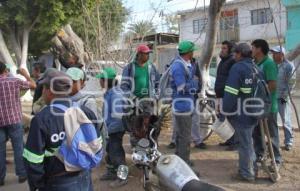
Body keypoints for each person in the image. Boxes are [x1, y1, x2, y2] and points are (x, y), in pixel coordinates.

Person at [23, 70, 96, 191]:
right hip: (85, 177)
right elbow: (98, 141)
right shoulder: (84, 111)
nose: (42, 93)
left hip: (58, 182)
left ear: (50, 91)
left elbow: (33, 159)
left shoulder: (42, 119)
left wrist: (37, 185)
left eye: (43, 89)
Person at [222, 43, 258, 182]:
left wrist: (225, 110)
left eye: (235, 53)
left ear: (240, 54)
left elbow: (231, 93)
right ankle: (252, 168)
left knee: (244, 144)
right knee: (249, 142)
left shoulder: (238, 68)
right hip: (255, 111)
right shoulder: (255, 67)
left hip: (243, 113)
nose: (234, 56)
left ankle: (246, 174)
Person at [0, 62, 36, 186]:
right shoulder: (14, 81)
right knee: (18, 148)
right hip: (15, 120)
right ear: (5, 70)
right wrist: (26, 74)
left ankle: (0, 178)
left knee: (0, 150)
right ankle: (21, 174)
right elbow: (33, 85)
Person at [120, 44, 160, 146]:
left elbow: (157, 84)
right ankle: (137, 154)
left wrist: (156, 96)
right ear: (139, 54)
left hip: (149, 103)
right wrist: (133, 98)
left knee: (151, 129)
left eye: (148, 54)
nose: (148, 56)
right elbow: (124, 86)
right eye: (146, 54)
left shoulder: (152, 67)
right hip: (135, 104)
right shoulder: (129, 68)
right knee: (137, 130)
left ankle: (151, 151)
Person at [251, 39, 281, 166]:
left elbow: (272, 85)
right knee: (257, 133)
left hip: (268, 106)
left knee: (272, 135)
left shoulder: (269, 64)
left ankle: (277, 159)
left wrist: (261, 95)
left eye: (253, 48)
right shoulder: (254, 63)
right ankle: (260, 155)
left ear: (259, 49)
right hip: (256, 106)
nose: (251, 50)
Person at [97, 68, 128, 187]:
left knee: (117, 153)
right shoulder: (110, 92)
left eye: (101, 79)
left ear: (106, 81)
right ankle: (111, 172)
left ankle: (123, 177)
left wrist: (109, 131)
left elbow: (118, 116)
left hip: (115, 129)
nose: (99, 81)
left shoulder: (116, 94)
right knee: (110, 151)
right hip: (110, 128)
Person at [170, 40, 198, 165]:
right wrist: (195, 83)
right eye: (192, 51)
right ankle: (184, 163)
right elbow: (181, 87)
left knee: (182, 135)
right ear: (189, 52)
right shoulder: (178, 66)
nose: (193, 53)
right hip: (182, 107)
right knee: (185, 137)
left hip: (186, 104)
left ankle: (180, 158)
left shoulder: (186, 64)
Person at [168, 58, 206, 150]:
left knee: (195, 121)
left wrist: (197, 90)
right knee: (177, 121)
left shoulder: (194, 63)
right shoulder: (176, 63)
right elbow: (174, 82)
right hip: (179, 98)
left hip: (192, 97)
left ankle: (197, 141)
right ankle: (174, 141)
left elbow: (198, 79)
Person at [270, 46, 296, 151]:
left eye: (275, 53)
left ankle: (288, 141)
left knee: (285, 119)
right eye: (273, 53)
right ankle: (274, 141)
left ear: (282, 54)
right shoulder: (272, 65)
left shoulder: (288, 66)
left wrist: (284, 95)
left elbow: (291, 83)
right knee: (272, 120)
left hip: (283, 97)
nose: (273, 55)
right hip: (272, 96)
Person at [214, 40, 237, 149]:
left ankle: (235, 142)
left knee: (231, 119)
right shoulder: (224, 60)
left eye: (224, 48)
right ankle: (229, 139)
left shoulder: (232, 61)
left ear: (230, 50)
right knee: (224, 119)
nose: (222, 50)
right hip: (220, 95)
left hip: (227, 95)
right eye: (221, 48)